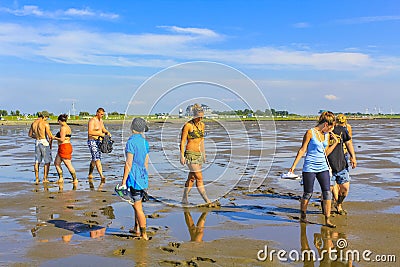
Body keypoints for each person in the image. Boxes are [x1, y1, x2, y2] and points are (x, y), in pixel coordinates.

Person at [289, 111, 339, 228]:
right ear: (326, 124)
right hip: (310, 167)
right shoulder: (310, 133)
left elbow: (325, 153)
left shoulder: (327, 135)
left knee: (327, 192)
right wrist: (293, 166)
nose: (332, 130)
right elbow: (302, 150)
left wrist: (335, 143)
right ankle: (303, 216)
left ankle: (327, 219)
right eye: (331, 127)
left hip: (323, 167)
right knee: (308, 193)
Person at [115, 117, 150, 240]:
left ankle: (144, 234)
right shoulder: (145, 142)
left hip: (134, 178)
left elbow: (128, 163)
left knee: (138, 207)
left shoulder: (131, 142)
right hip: (143, 177)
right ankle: (136, 228)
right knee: (137, 203)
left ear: (132, 128)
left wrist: (123, 181)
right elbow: (146, 163)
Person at [180, 104, 211, 206]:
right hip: (190, 154)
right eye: (199, 117)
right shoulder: (188, 125)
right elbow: (183, 141)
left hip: (199, 155)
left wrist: (204, 154)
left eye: (202, 116)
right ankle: (207, 201)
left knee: (192, 178)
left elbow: (202, 141)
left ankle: (184, 198)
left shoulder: (202, 125)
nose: (200, 118)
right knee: (199, 177)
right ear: (194, 115)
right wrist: (182, 155)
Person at [328, 114, 357, 215]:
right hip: (329, 162)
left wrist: (352, 156)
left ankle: (338, 203)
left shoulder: (346, 128)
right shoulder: (326, 130)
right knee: (332, 186)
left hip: (342, 156)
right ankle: (335, 203)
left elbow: (349, 141)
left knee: (344, 188)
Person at [28, 111, 54, 184]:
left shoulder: (33, 123)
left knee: (37, 161)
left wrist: (36, 137)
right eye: (47, 118)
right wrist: (50, 144)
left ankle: (36, 179)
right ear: (44, 117)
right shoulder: (45, 123)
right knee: (47, 161)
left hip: (37, 142)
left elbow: (30, 135)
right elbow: (50, 136)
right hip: (44, 141)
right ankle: (45, 178)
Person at [52, 114, 78, 185]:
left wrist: (54, 138)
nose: (58, 123)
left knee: (68, 164)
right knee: (56, 163)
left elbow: (62, 139)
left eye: (58, 121)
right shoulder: (68, 127)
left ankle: (75, 179)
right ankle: (60, 178)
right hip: (63, 147)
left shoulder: (63, 128)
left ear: (60, 121)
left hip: (64, 147)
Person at [87, 108, 111, 182]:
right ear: (97, 113)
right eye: (101, 114)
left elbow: (103, 128)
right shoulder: (92, 120)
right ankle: (102, 176)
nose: (102, 116)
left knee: (95, 158)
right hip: (92, 141)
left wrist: (107, 132)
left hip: (99, 141)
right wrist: (100, 134)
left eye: (103, 114)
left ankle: (90, 173)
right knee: (97, 158)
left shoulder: (101, 120)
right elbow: (90, 132)